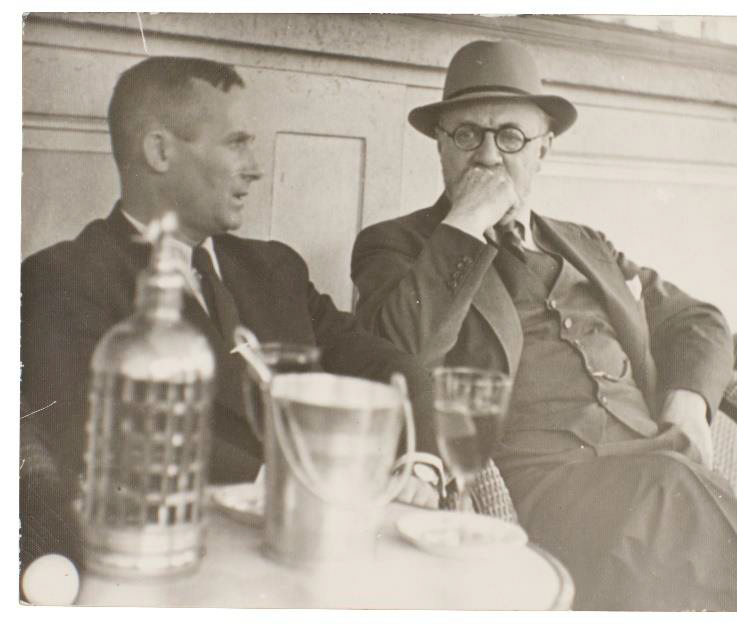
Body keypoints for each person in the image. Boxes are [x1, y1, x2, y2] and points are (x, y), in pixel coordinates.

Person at [351, 39, 737, 611]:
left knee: (675, 506)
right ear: (440, 149)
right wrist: (467, 219)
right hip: (542, 493)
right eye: (467, 135)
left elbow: (695, 318)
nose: (489, 157)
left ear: (544, 149)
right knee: (677, 495)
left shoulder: (586, 244)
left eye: (511, 137)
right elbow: (396, 348)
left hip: (657, 474)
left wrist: (690, 402)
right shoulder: (394, 245)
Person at [20, 56, 435, 588]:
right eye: (236, 142)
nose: (256, 166)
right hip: (190, 568)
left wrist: (422, 461)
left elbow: (391, 368)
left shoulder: (277, 267)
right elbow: (98, 434)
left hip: (326, 551)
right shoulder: (60, 278)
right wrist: (291, 488)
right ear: (160, 150)